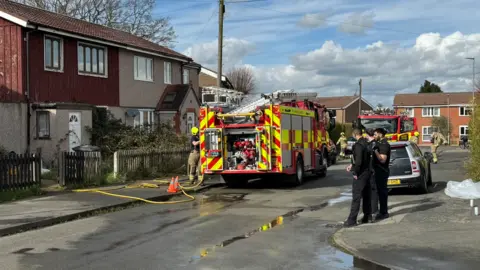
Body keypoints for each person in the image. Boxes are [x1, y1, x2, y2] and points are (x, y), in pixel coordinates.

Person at [344, 128, 372, 227]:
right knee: (366, 196)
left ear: (355, 134)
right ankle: (367, 217)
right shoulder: (367, 143)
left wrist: (355, 172)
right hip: (368, 172)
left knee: (356, 197)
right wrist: (352, 165)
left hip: (361, 174)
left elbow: (358, 161)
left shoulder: (358, 145)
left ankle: (351, 220)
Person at [373, 128, 391, 220]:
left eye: (375, 134)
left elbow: (382, 159)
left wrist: (375, 151)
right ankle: (380, 211)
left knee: (382, 192)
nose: (374, 136)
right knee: (379, 192)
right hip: (378, 171)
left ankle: (384, 212)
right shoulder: (380, 144)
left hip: (382, 171)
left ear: (380, 134)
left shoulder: (384, 145)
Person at [365, 129, 378, 219]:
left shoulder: (373, 145)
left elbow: (372, 159)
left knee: (373, 191)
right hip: (371, 170)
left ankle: (373, 210)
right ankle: (372, 209)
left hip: (372, 170)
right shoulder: (373, 143)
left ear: (367, 135)